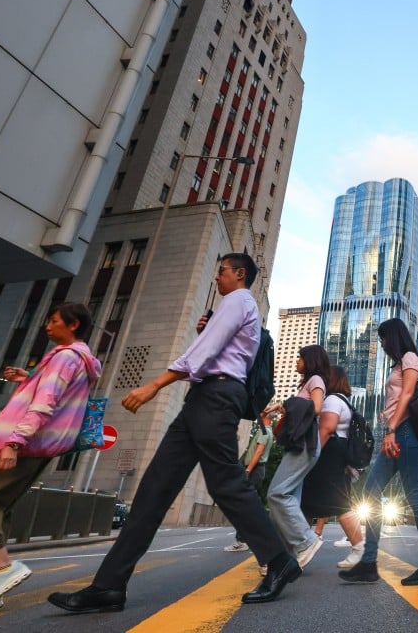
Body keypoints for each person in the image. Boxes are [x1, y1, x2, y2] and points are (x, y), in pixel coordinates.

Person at [49, 253, 300, 613]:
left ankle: (278, 560)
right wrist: (205, 332)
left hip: (217, 396)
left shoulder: (239, 299)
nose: (217, 278)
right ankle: (108, 586)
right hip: (206, 397)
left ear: (240, 274)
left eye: (223, 272)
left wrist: (155, 384)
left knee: (226, 483)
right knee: (154, 490)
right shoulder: (235, 307)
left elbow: (205, 353)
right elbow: (214, 348)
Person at [0, 303, 101, 612]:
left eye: (54, 320)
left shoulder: (65, 358)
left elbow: (46, 402)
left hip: (21, 444)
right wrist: (28, 378)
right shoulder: (77, 360)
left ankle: (4, 569)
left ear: (73, 325)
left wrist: (14, 442)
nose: (47, 325)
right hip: (37, 446)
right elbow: (49, 395)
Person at [339, 319, 418, 585]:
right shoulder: (400, 363)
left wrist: (391, 430)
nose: (382, 344)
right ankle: (369, 563)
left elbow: (407, 394)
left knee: (416, 497)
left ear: (393, 337)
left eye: (383, 338)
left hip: (405, 433)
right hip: (398, 433)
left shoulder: (410, 358)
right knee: (370, 491)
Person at [263, 345, 327, 572]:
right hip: (299, 445)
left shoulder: (316, 380)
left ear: (310, 361)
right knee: (289, 497)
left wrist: (287, 404)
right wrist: (282, 407)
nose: (296, 361)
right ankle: (283, 557)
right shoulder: (307, 384)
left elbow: (317, 408)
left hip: (304, 446)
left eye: (300, 357)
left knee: (277, 493)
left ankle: (306, 541)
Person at [300, 366, 364, 568]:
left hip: (329, 453)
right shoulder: (343, 401)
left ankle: (360, 549)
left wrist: (311, 454)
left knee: (338, 503)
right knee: (309, 501)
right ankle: (299, 546)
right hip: (336, 453)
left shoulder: (333, 400)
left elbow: (326, 429)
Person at [225, 411, 274, 553]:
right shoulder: (265, 431)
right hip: (255, 470)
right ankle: (248, 538)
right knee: (249, 505)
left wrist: (247, 471)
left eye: (261, 413)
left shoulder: (264, 432)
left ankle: (242, 540)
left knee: (244, 506)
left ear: (264, 417)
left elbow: (258, 452)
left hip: (254, 470)